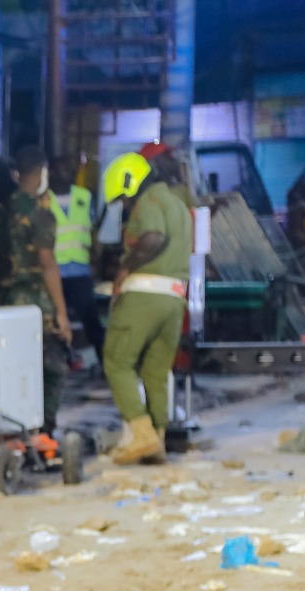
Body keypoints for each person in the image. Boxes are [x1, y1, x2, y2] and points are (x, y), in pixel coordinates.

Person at [101, 151, 194, 464]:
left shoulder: (150, 201)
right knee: (156, 372)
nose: (126, 208)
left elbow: (153, 238)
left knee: (117, 361)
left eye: (124, 201)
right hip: (174, 297)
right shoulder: (179, 204)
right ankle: (157, 440)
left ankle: (141, 434)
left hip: (145, 294)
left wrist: (125, 266)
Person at [4, 146, 74, 434]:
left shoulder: (1, 208)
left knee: (11, 366)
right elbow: (47, 264)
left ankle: (15, 425)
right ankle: (44, 429)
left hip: (4, 302)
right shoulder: (40, 213)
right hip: (35, 302)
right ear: (42, 173)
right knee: (53, 367)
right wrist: (61, 312)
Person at [49, 153, 102, 362]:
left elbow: (92, 232)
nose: (69, 172)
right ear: (52, 172)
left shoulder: (84, 196)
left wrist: (96, 260)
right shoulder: (44, 199)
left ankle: (103, 366)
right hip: (54, 272)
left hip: (80, 270)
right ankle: (62, 363)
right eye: (64, 167)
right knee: (56, 324)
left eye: (72, 168)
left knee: (91, 322)